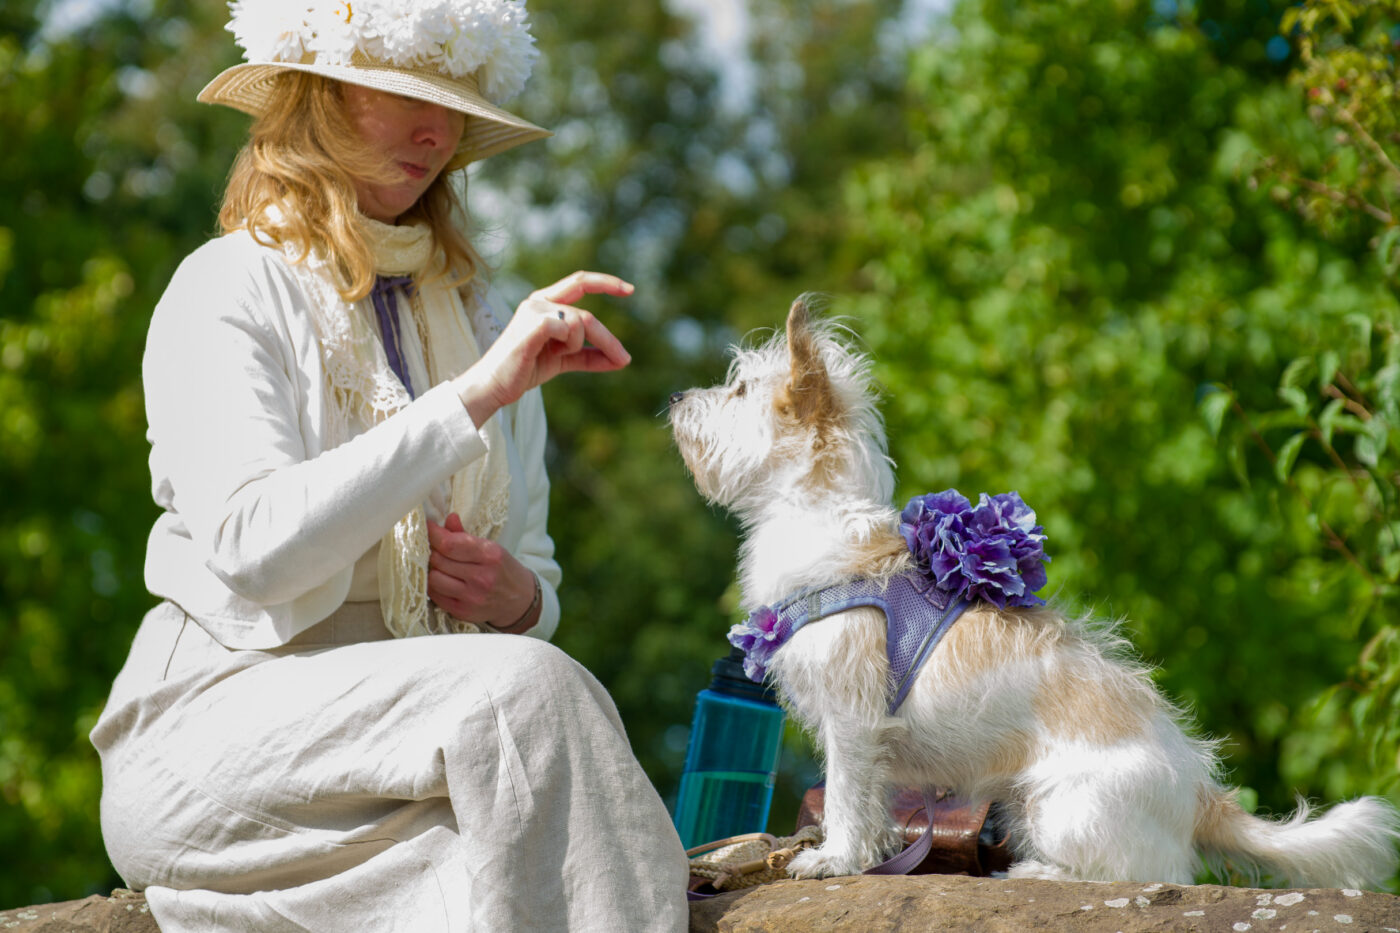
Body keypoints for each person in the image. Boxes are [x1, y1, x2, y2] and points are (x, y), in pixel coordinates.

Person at [88, 1, 691, 930]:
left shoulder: (478, 321)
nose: (437, 130)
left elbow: (541, 588)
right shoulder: (223, 286)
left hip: (405, 767)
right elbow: (257, 550)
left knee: (509, 859)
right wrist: (472, 398)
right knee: (530, 692)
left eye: (453, 107)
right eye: (404, 95)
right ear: (317, 101)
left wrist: (517, 600)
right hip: (209, 743)